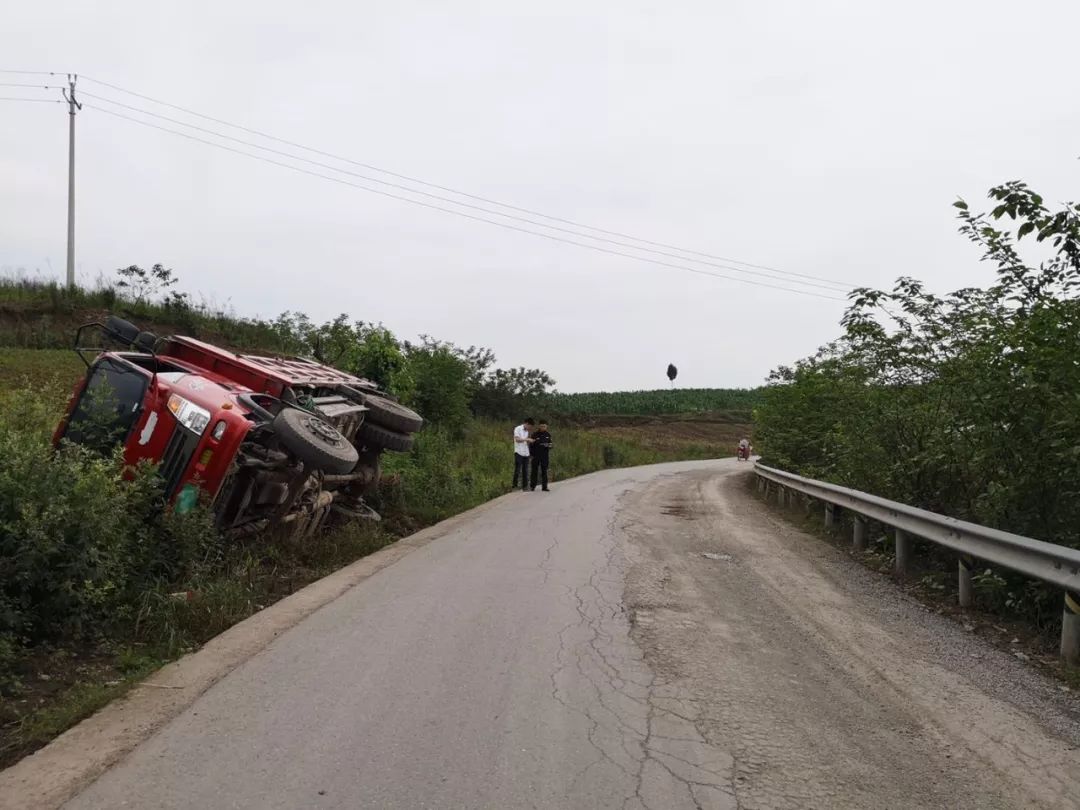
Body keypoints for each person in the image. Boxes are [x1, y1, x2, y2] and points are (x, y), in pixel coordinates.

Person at [530, 420, 553, 492]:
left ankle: (544, 487)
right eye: (542, 426)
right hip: (536, 455)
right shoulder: (534, 434)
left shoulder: (548, 435)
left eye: (544, 426)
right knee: (534, 471)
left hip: (544, 456)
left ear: (546, 427)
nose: (543, 427)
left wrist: (547, 445)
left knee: (544, 471)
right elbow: (531, 445)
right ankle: (532, 486)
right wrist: (531, 454)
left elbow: (551, 445)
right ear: (539, 426)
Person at [512, 418, 535, 491]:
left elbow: (525, 441)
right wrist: (527, 439)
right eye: (530, 426)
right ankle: (514, 486)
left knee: (526, 470)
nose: (530, 428)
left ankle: (525, 487)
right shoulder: (517, 429)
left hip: (526, 453)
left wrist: (530, 441)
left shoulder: (527, 431)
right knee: (517, 470)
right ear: (527, 423)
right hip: (518, 452)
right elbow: (517, 440)